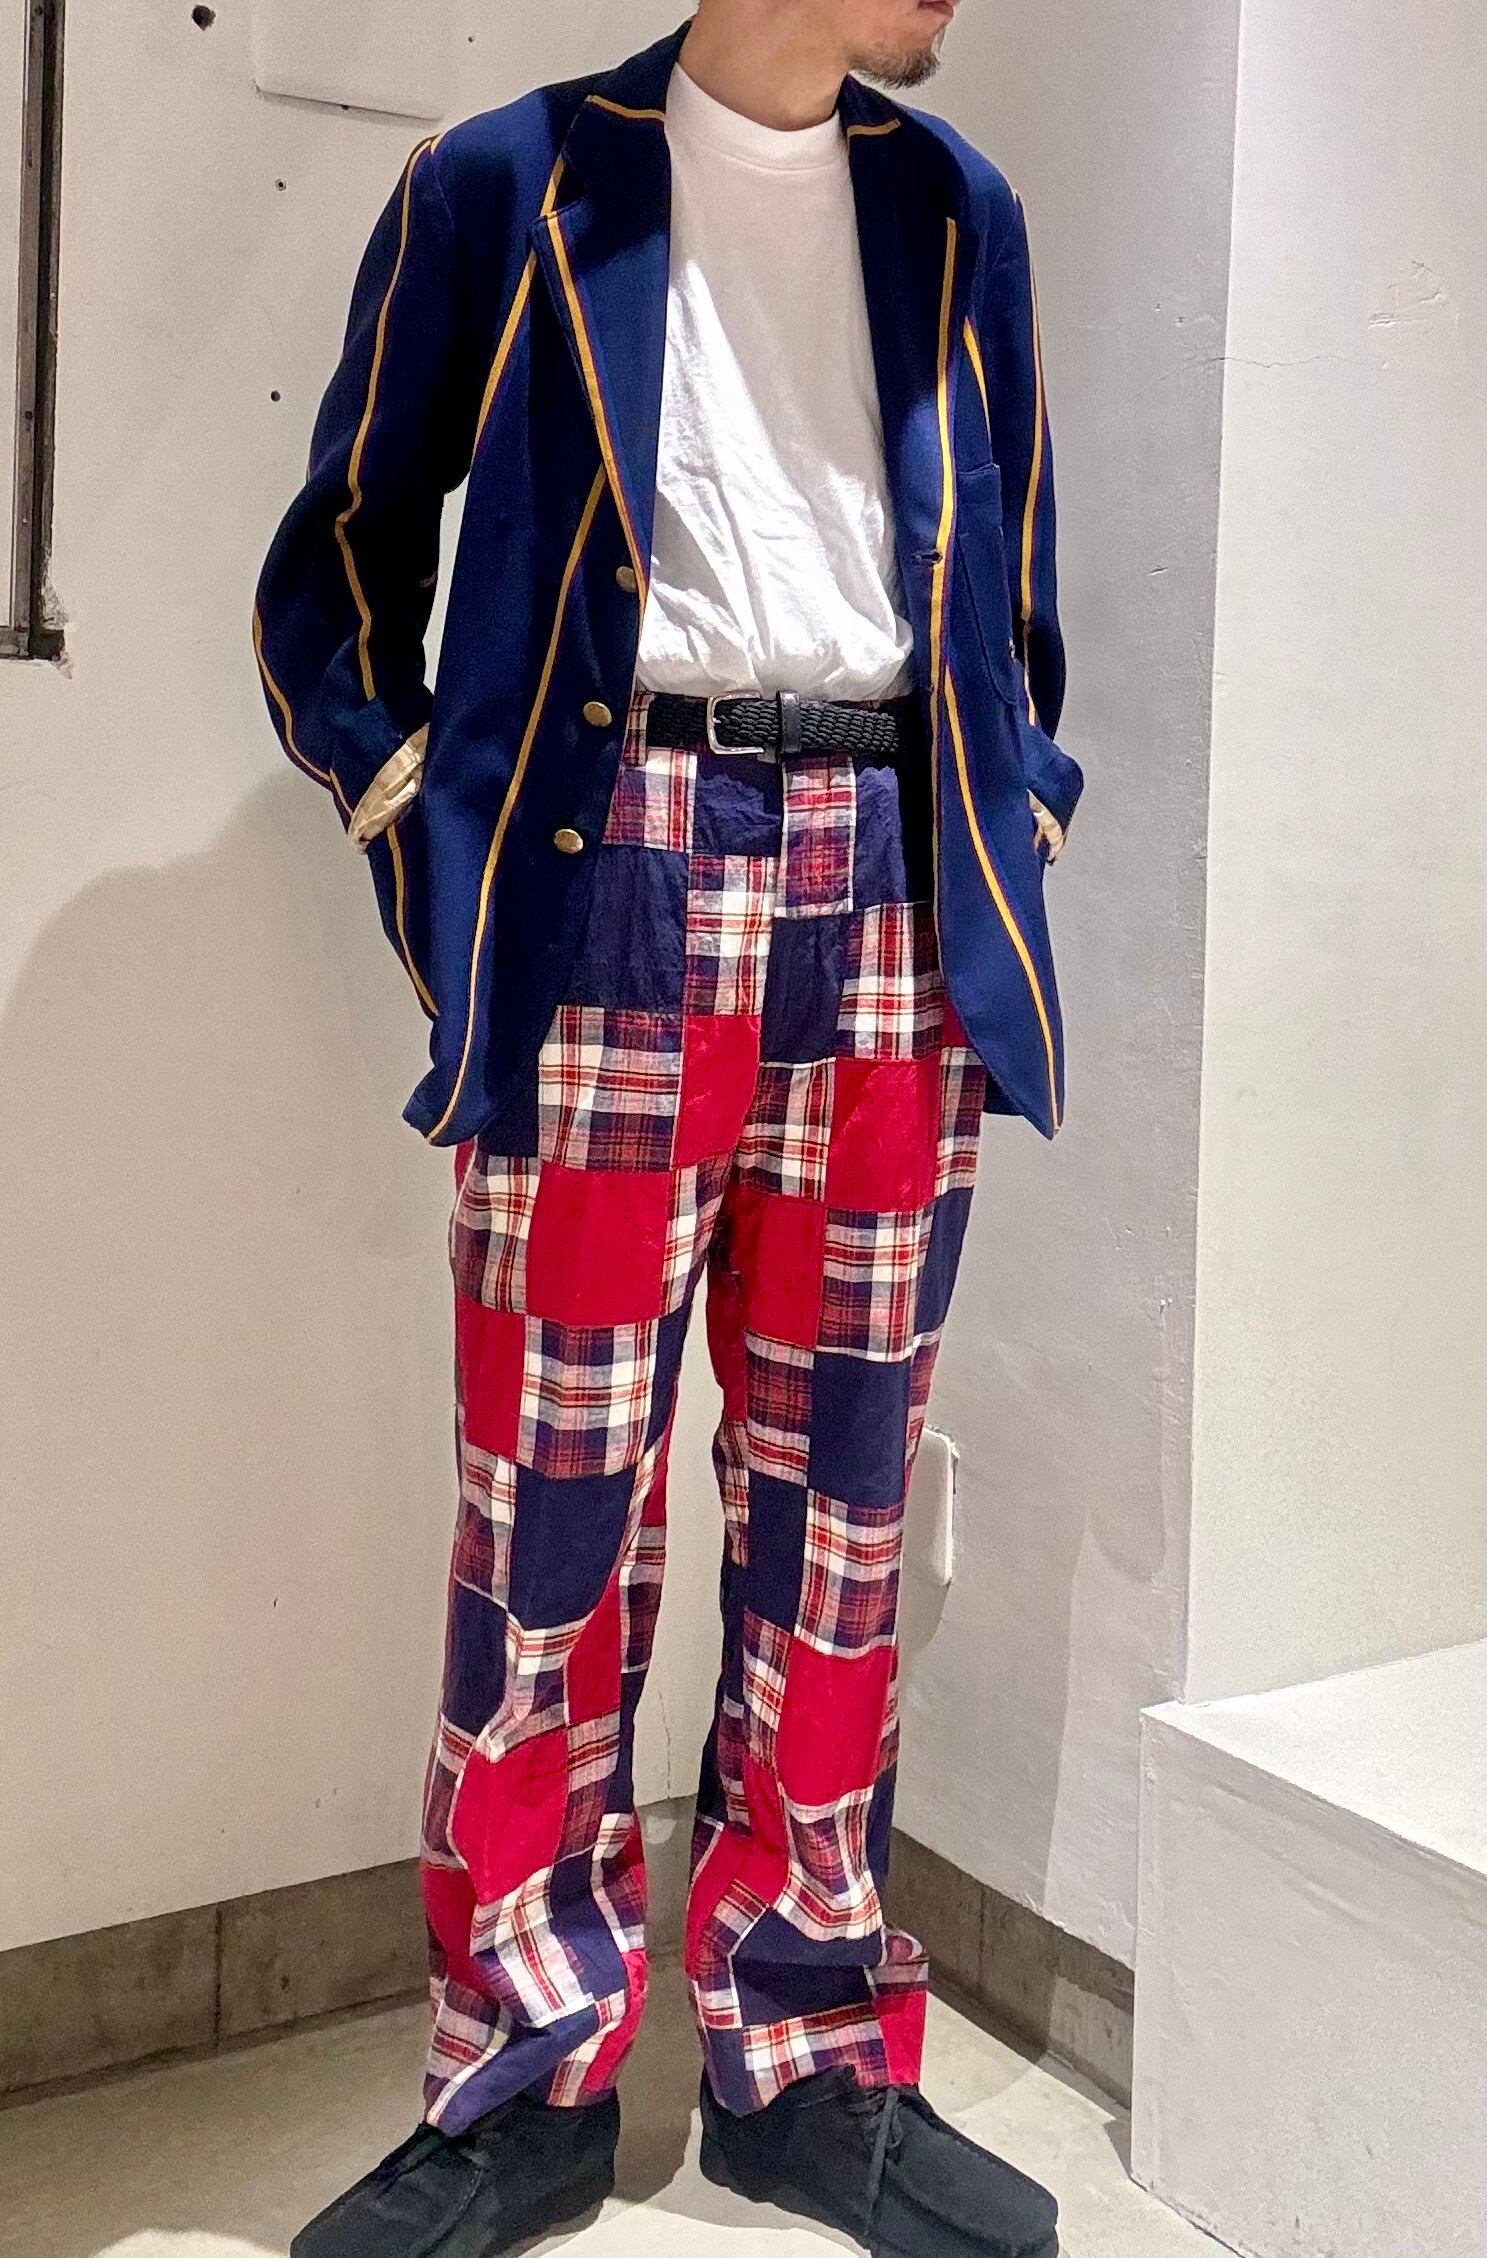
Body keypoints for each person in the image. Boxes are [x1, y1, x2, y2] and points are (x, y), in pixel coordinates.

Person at [254, 3, 1082, 2253]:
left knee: (842, 1513)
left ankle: (804, 2054)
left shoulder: (961, 216)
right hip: (615, 870)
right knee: (555, 1510)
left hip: (889, 902)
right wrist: (419, 817)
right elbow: (336, 561)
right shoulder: (509, 181)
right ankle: (523, 2076)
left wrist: (1018, 814)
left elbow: (1013, 602)